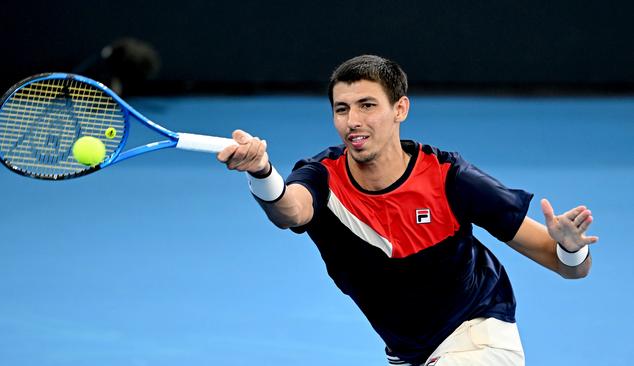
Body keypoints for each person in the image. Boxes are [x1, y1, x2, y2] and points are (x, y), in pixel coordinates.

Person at [217, 55, 598, 366]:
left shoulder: (451, 179)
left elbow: (570, 267)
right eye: (342, 109)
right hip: (411, 354)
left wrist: (569, 246)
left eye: (368, 106)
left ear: (400, 109)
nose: (353, 122)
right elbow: (291, 211)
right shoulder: (322, 177)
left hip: (478, 340)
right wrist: (262, 172)